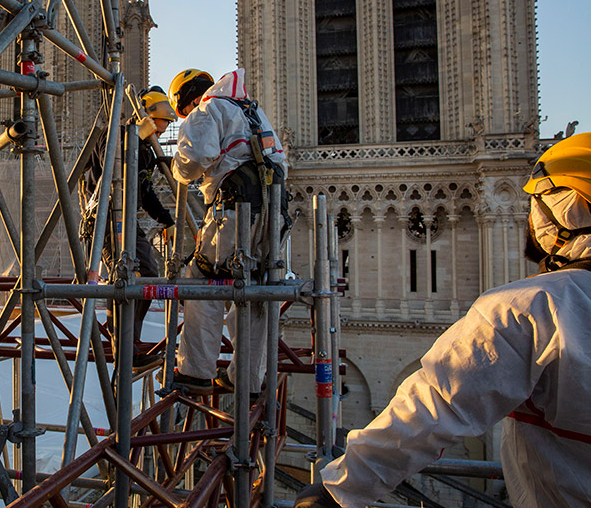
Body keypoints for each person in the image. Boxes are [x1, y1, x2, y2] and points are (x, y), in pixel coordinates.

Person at [295, 132, 591, 508]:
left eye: (537, 203)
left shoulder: (533, 308)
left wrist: (338, 487)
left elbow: (435, 405)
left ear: (566, 207)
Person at [168, 68, 287, 396]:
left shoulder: (206, 110)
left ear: (188, 99)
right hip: (275, 215)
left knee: (201, 279)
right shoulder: (252, 110)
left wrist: (179, 168)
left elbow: (195, 159)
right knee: (256, 286)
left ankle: (195, 371)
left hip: (236, 211)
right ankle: (247, 380)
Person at [85, 87, 178, 370]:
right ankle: (124, 348)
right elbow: (110, 169)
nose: (161, 135)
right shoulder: (113, 135)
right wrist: (135, 139)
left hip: (127, 218)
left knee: (148, 272)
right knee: (124, 275)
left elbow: (146, 192)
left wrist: (168, 220)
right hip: (105, 217)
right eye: (160, 128)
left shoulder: (147, 152)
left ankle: (128, 343)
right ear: (148, 116)